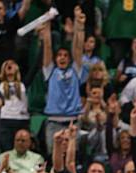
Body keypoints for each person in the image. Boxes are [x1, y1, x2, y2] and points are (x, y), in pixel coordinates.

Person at [40, 7, 87, 154]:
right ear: (55, 58)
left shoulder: (75, 70)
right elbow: (47, 45)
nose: (62, 57)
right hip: (53, 122)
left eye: (65, 55)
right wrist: (46, 22)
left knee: (72, 157)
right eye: (59, 55)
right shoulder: (50, 71)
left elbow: (78, 47)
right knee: (54, 158)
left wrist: (79, 26)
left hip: (73, 121)